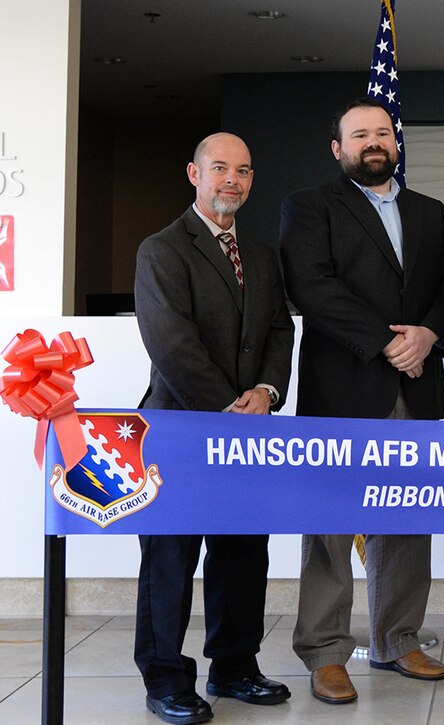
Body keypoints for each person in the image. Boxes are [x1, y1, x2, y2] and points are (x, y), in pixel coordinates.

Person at [279, 97, 444, 705]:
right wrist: (387, 343)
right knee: (331, 527)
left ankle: (398, 641)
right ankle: (326, 653)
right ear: (338, 149)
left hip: (417, 386)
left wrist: (430, 335)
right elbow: (312, 287)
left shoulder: (429, 210)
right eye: (359, 135)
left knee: (409, 520)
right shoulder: (308, 207)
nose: (373, 142)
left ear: (396, 142)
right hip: (342, 387)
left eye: (382, 133)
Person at [133, 132, 295, 725]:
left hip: (249, 433)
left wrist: (267, 392)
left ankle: (234, 667)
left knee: (243, 555)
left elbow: (281, 330)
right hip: (180, 432)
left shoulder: (260, 252)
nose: (233, 179)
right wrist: (229, 403)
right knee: (171, 560)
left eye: (244, 171)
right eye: (221, 168)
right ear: (194, 174)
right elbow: (171, 345)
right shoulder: (161, 249)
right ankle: (165, 679)